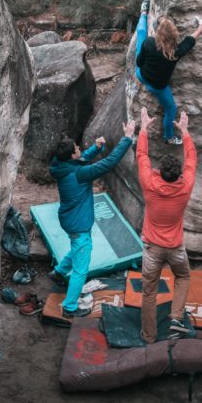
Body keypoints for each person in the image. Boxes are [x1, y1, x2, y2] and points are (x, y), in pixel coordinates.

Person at [48, 119, 136, 318]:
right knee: (81, 269)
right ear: (71, 154)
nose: (80, 149)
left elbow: (78, 161)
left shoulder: (59, 165)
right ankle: (70, 307)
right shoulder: (79, 174)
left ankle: (59, 272)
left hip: (69, 220)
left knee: (77, 248)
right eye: (77, 148)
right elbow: (109, 163)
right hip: (79, 224)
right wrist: (127, 139)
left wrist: (95, 149)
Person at [137, 106, 197, 343]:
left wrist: (144, 129)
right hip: (175, 248)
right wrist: (185, 132)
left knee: (148, 292)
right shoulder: (186, 186)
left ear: (159, 172)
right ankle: (175, 318)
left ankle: (149, 337)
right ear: (178, 174)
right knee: (183, 277)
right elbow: (191, 159)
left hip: (152, 248)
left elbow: (142, 156)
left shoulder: (149, 183)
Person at [134, 0, 202, 145]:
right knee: (171, 109)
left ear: (157, 32)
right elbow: (190, 40)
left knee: (141, 33)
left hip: (142, 76)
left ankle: (143, 12)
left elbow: (139, 63)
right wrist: (201, 27)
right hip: (158, 87)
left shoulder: (148, 43)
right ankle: (169, 137)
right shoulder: (177, 52)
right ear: (173, 34)